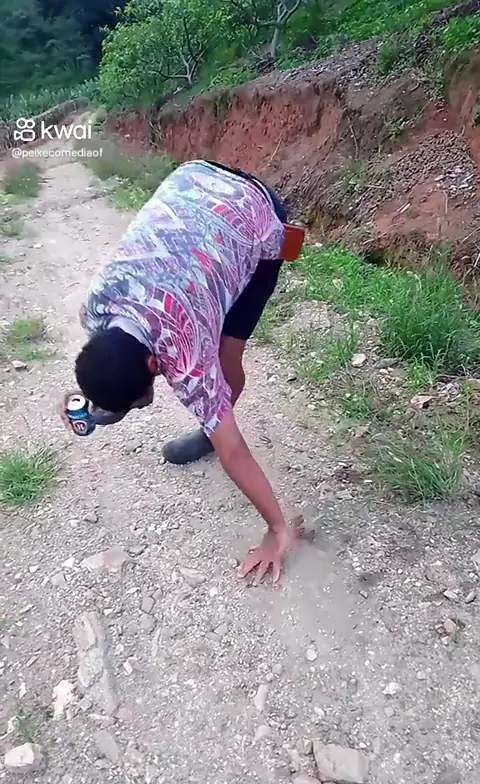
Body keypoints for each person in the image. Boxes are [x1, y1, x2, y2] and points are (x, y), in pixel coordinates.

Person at [59, 160, 303, 583]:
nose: (145, 402)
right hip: (194, 177)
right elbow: (104, 357)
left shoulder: (184, 355)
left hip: (253, 212)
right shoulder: (97, 307)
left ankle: (211, 430)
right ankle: (205, 423)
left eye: (141, 401)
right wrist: (83, 397)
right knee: (204, 354)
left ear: (156, 364)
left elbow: (236, 452)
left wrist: (277, 529)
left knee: (225, 363)